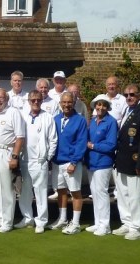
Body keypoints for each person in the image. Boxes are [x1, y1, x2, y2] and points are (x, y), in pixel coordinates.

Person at [112, 84, 140, 240]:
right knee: (122, 193)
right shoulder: (128, 109)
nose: (129, 97)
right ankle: (127, 222)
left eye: (132, 94)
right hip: (122, 158)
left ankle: (136, 227)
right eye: (126, 95)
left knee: (135, 195)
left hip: (135, 160)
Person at [14, 90, 57, 234]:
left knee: (40, 192)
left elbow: (53, 140)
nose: (36, 102)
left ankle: (41, 221)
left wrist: (47, 157)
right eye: (33, 100)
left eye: (38, 100)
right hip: (24, 160)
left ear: (42, 101)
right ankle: (27, 218)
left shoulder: (48, 117)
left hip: (40, 161)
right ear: (29, 101)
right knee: (24, 192)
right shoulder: (23, 117)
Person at [0, 88, 26, 233]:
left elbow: (20, 137)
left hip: (6, 152)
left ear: (7, 99)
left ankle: (8, 221)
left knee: (6, 188)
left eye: (1, 97)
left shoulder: (13, 112)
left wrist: (14, 156)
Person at [48, 92, 88, 235]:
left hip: (72, 163)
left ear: (73, 103)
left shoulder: (80, 120)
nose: (66, 105)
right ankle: (62, 219)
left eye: (69, 102)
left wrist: (74, 161)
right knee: (61, 191)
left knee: (76, 192)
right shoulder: (55, 119)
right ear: (60, 103)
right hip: (57, 162)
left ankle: (76, 223)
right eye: (64, 102)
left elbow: (81, 142)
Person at [85, 94, 118, 236]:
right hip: (91, 162)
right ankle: (98, 222)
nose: (101, 107)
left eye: (104, 105)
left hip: (104, 162)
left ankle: (105, 225)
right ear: (94, 106)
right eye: (98, 105)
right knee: (95, 193)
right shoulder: (92, 121)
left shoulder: (111, 122)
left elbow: (111, 145)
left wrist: (92, 146)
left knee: (102, 192)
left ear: (107, 107)